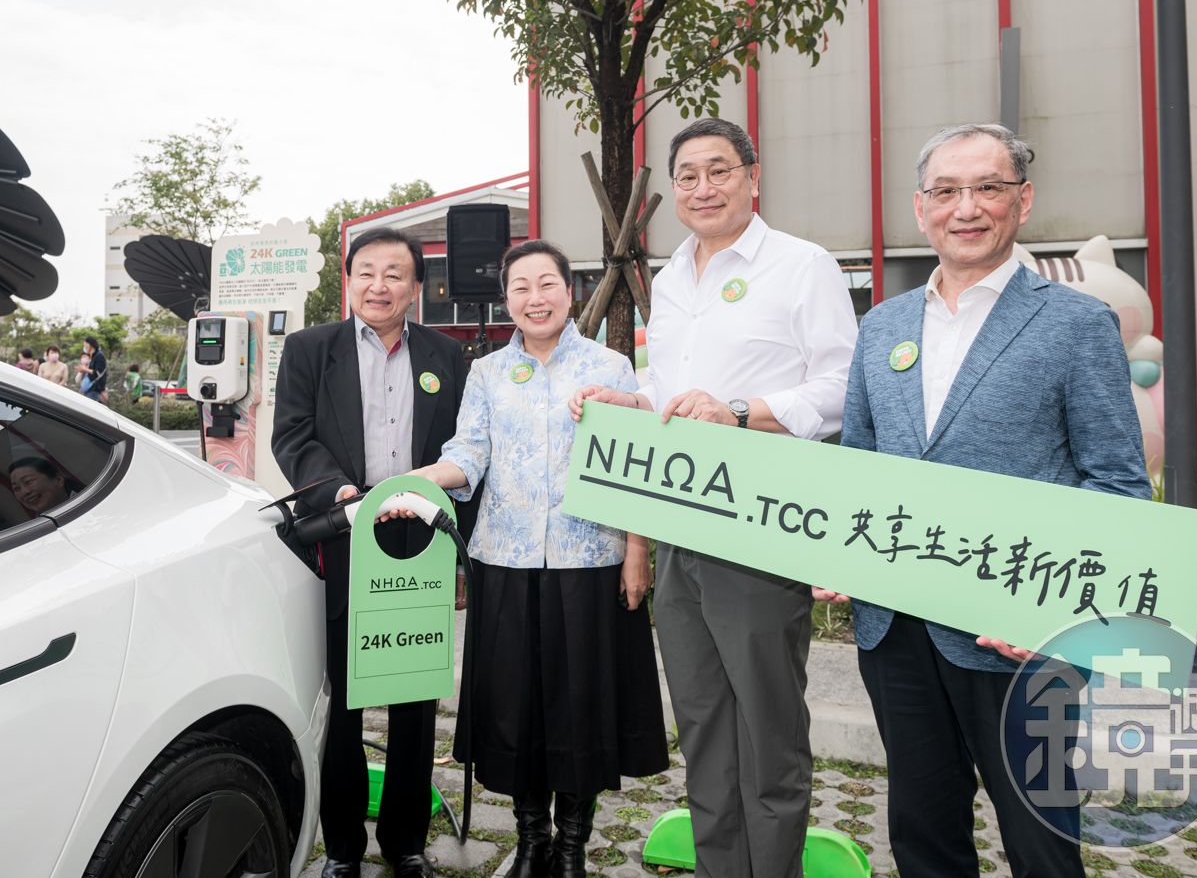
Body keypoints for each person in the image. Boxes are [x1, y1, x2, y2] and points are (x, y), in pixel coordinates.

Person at [825, 122, 1150, 878]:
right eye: (946, 191)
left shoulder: (1076, 322)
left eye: (987, 188)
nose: (966, 208)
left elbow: (1117, 482)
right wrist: (836, 552)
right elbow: (860, 462)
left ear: (1022, 201)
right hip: (896, 629)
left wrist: (1061, 620)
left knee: (1041, 840)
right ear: (920, 208)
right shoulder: (882, 326)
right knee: (922, 832)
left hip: (1019, 635)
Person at [570, 117, 857, 878]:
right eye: (688, 176)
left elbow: (842, 387)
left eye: (719, 170)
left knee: (768, 727)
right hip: (677, 524)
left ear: (753, 178)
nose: (703, 188)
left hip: (759, 527)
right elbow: (673, 392)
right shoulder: (669, 280)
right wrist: (632, 403)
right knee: (701, 722)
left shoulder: (802, 266)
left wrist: (740, 411)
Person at [390, 240, 667, 878]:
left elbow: (636, 466)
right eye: (521, 287)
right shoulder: (487, 372)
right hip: (505, 563)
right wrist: (414, 481)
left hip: (589, 561)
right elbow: (468, 453)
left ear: (570, 292)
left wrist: (636, 550)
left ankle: (571, 848)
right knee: (518, 709)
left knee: (580, 709)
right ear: (506, 298)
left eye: (547, 284)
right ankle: (531, 839)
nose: (534, 298)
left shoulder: (610, 366)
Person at [271, 226, 473, 878]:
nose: (378, 286)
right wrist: (340, 492)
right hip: (343, 538)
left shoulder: (447, 355)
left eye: (394, 274)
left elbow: (463, 447)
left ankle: (405, 843)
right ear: (350, 280)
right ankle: (343, 849)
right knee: (345, 700)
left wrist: (455, 548)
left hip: (420, 544)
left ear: (415, 288)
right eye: (366, 272)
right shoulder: (310, 349)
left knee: (415, 700)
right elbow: (292, 436)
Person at [8, 456, 75, 517]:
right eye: (16, 488)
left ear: (58, 479)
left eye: (28, 481)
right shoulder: (35, 526)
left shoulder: (81, 503)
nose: (25, 492)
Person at [78, 336, 108, 402]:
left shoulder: (99, 355)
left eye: (85, 345)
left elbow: (98, 373)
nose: (84, 347)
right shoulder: (92, 355)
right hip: (88, 388)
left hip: (94, 389)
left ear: (90, 345)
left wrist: (85, 369)